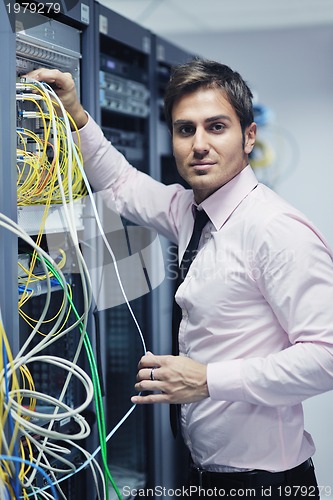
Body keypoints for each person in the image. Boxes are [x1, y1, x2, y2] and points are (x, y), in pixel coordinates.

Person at [26, 60, 333, 499]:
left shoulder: (275, 230)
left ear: (249, 136)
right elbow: (120, 183)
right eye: (185, 129)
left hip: (268, 484)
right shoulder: (189, 210)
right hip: (207, 475)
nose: (199, 144)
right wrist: (76, 115)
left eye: (216, 127)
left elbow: (327, 356)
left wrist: (207, 380)